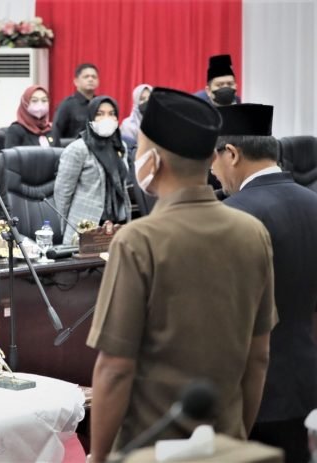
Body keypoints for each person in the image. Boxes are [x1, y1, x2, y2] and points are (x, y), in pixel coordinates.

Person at [86, 88, 276, 463]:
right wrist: (236, 436)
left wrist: (100, 455)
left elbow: (115, 368)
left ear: (154, 161)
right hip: (225, 444)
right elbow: (258, 358)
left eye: (140, 148)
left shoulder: (137, 240)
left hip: (149, 448)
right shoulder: (252, 233)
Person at [212, 103, 317, 463]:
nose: (213, 172)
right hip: (308, 384)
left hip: (251, 395)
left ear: (231, 153)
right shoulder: (313, 203)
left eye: (214, 160)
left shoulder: (231, 215)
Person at [54, 96, 131, 243]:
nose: (106, 118)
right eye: (100, 114)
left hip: (118, 225)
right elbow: (63, 193)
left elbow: (123, 187)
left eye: (111, 113)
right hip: (85, 227)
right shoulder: (78, 149)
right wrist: (65, 227)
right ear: (90, 117)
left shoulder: (120, 147)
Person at [52, 63, 99, 140]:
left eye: (94, 77)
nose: (91, 79)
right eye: (86, 77)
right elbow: (56, 133)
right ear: (76, 81)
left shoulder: (100, 104)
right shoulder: (67, 105)